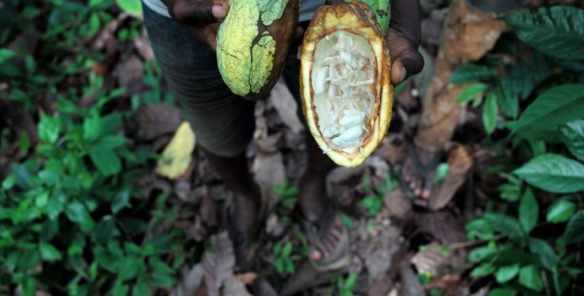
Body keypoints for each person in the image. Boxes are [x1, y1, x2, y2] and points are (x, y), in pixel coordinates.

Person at [141, 0, 423, 272]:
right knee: (216, 130)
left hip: (339, 7)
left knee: (330, 112)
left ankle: (314, 182)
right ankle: (244, 194)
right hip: (190, 10)